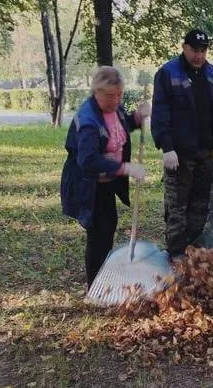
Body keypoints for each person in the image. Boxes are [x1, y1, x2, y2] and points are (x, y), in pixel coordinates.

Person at [60, 66, 151, 287]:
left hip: (106, 183)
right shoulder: (88, 119)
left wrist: (137, 117)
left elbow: (122, 125)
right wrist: (125, 168)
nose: (116, 100)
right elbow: (88, 161)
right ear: (96, 92)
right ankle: (95, 286)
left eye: (119, 94)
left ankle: (104, 279)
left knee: (108, 226)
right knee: (98, 235)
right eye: (110, 95)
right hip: (89, 185)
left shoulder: (114, 109)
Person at [151, 29, 213, 260]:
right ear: (184, 47)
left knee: (200, 205)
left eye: (203, 51)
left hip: (205, 152)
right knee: (177, 208)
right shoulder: (168, 73)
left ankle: (194, 253)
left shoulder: (211, 73)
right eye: (195, 50)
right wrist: (166, 148)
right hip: (179, 155)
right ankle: (176, 256)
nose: (199, 55)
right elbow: (160, 114)